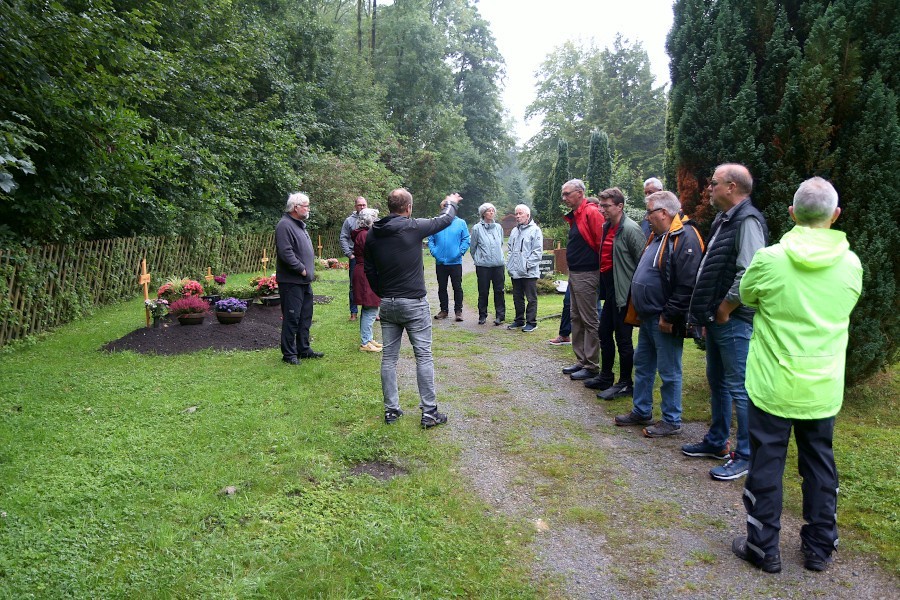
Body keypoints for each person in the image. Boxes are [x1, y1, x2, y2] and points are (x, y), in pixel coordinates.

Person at [731, 177, 862, 574]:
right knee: (820, 463)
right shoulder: (850, 263)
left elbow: (748, 296)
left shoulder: (770, 259)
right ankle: (820, 547)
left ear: (791, 213)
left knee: (767, 461)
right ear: (836, 215)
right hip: (822, 386)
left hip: (773, 382)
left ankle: (763, 547)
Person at [682, 163, 768, 481]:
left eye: (714, 182)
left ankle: (746, 454)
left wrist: (726, 307)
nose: (709, 188)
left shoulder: (747, 220)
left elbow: (752, 273)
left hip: (733, 319)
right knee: (718, 382)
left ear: (731, 187)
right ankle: (717, 441)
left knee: (739, 387)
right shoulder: (726, 218)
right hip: (718, 318)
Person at [365, 189, 463, 428]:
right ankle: (429, 413)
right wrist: (450, 201)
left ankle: (391, 410)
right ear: (408, 207)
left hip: (388, 303)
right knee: (423, 356)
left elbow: (369, 269)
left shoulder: (373, 233)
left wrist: (382, 293)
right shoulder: (413, 226)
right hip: (414, 303)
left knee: (389, 358)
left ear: (390, 207)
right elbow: (446, 218)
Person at [614, 191, 704, 436]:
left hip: (664, 318)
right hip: (648, 317)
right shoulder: (658, 236)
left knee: (669, 370)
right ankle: (641, 411)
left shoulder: (685, 237)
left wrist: (670, 315)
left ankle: (671, 419)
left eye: (650, 212)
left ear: (664, 213)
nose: (647, 217)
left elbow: (687, 284)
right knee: (643, 365)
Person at [586, 187, 646, 397]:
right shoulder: (606, 226)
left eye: (607, 206)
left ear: (620, 206)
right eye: (601, 205)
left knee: (623, 338)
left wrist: (635, 295)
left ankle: (625, 383)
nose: (603, 210)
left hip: (625, 291)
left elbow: (643, 263)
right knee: (604, 333)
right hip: (610, 289)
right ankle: (606, 376)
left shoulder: (630, 229)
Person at [559, 179, 606, 381]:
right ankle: (582, 360)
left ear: (580, 193)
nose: (564, 198)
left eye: (567, 194)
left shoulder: (591, 212)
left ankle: (592, 364)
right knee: (576, 318)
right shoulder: (577, 215)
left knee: (589, 319)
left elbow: (601, 243)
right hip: (576, 274)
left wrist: (600, 272)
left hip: (588, 274)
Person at [275, 192, 322, 364]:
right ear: (296, 207)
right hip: (291, 281)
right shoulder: (284, 225)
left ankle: (304, 349)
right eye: (306, 205)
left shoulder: (299, 225)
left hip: (303, 282)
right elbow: (286, 253)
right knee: (292, 317)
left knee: (305, 316)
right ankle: (289, 354)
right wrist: (302, 269)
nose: (308, 208)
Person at [428, 204, 470, 321]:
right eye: (444, 207)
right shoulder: (437, 222)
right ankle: (444, 310)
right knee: (442, 287)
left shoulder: (461, 223)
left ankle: (458, 311)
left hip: (455, 262)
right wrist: (434, 252)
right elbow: (431, 239)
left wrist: (459, 252)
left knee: (457, 287)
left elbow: (466, 239)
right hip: (440, 262)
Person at [506, 204, 543, 333]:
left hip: (529, 272)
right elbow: (510, 249)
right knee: (517, 297)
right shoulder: (514, 231)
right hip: (515, 271)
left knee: (531, 298)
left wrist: (526, 265)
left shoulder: (535, 230)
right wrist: (509, 264)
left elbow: (537, 252)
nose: (517, 216)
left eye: (520, 213)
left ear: (528, 215)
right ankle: (519, 320)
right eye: (516, 213)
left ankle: (531, 322)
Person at [351, 208, 383, 352]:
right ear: (369, 220)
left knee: (369, 307)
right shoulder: (365, 235)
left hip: (365, 271)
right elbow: (373, 252)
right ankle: (365, 342)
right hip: (365, 273)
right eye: (375, 218)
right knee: (370, 307)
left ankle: (368, 338)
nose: (376, 221)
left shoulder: (363, 233)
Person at [469, 202, 506, 325]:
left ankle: (500, 316)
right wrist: (478, 259)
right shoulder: (476, 228)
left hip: (498, 265)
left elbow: (500, 243)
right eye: (489, 211)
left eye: (493, 211)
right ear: (483, 213)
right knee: (483, 291)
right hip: (483, 266)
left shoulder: (498, 227)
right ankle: (482, 315)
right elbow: (473, 247)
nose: (491, 213)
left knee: (499, 290)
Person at [340, 196, 368, 321]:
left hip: (369, 257)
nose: (362, 207)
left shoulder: (372, 218)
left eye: (364, 205)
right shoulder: (349, 221)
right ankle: (354, 312)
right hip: (355, 257)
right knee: (354, 285)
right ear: (355, 206)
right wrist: (349, 254)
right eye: (359, 205)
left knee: (371, 283)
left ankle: (371, 309)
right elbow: (343, 237)